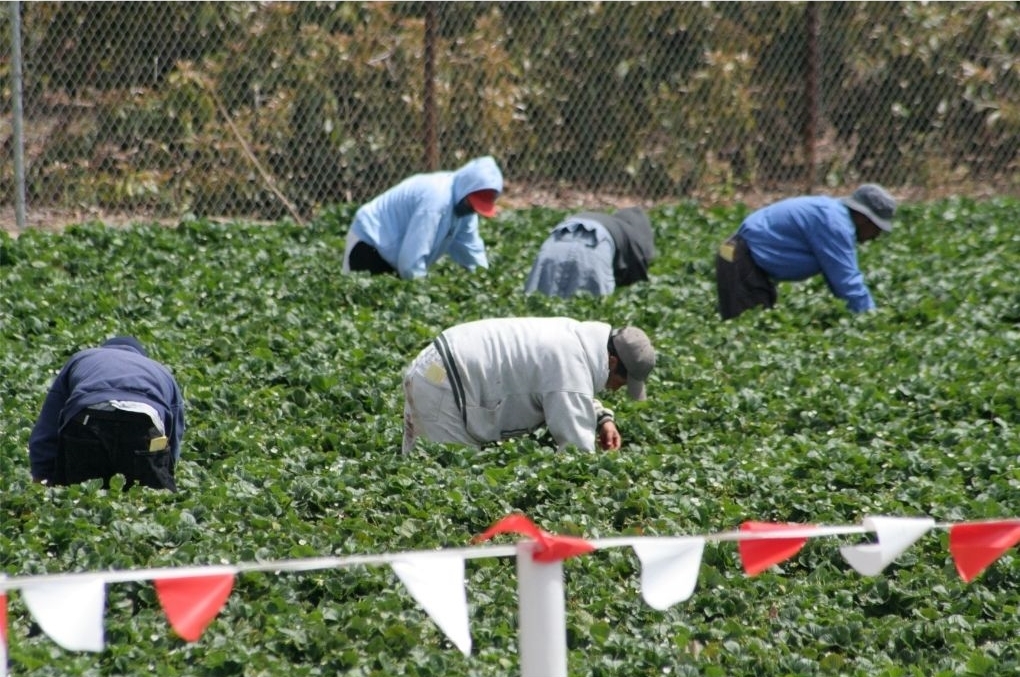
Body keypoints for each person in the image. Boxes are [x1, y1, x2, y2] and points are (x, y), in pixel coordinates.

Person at [401, 317, 656, 454]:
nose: (616, 390)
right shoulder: (571, 364)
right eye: (620, 383)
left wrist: (602, 419)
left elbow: (565, 386)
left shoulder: (577, 341)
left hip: (440, 364)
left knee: (423, 465)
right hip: (445, 380)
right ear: (612, 361)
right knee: (443, 472)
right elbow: (577, 451)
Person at [715, 183, 897, 320]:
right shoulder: (835, 223)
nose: (876, 236)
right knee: (746, 331)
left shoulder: (832, 213)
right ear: (864, 218)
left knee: (755, 326)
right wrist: (870, 318)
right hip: (741, 259)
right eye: (877, 228)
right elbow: (846, 281)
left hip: (743, 259)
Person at [29, 336, 185, 491]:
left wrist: (41, 476)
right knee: (147, 500)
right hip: (142, 426)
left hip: (87, 423)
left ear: (104, 349)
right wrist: (165, 470)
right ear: (140, 355)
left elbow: (48, 425)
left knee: (80, 497)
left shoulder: (83, 357)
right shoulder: (161, 371)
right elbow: (173, 437)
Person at [342, 155, 504, 280]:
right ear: (466, 190)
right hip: (370, 243)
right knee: (366, 301)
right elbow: (411, 259)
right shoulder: (436, 201)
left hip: (395, 254)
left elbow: (470, 248)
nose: (472, 210)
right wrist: (422, 292)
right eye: (472, 204)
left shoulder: (464, 208)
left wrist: (483, 280)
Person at [524, 206, 657, 298]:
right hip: (594, 244)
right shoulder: (636, 238)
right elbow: (638, 282)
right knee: (592, 315)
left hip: (555, 240)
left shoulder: (609, 222)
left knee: (540, 305)